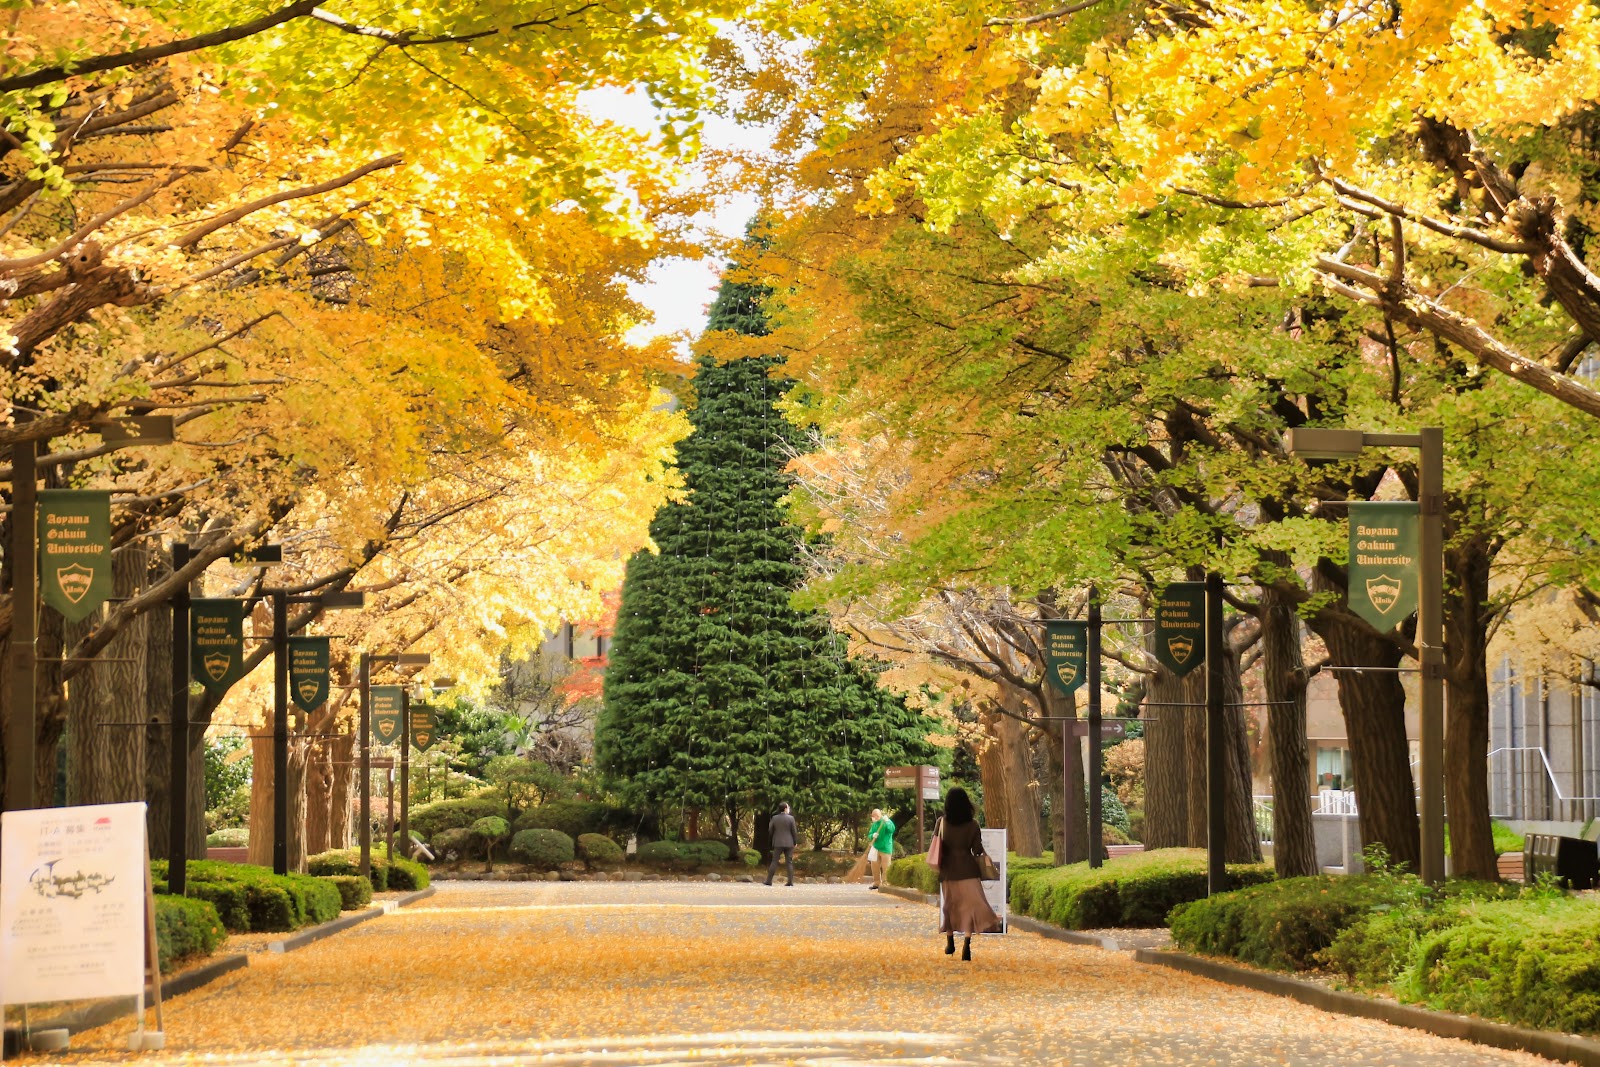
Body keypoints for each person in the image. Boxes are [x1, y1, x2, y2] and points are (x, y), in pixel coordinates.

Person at [937, 787, 999, 961]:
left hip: (948, 871)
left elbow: (936, 844)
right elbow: (977, 849)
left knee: (950, 906)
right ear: (966, 804)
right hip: (968, 870)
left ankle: (950, 941)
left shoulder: (942, 822)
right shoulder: (973, 825)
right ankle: (967, 944)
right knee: (970, 907)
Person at [766, 801, 797, 886]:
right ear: (785, 808)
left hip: (778, 842)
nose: (789, 809)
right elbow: (794, 831)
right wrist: (795, 842)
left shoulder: (774, 818)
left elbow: (770, 830)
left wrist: (773, 838)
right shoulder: (791, 818)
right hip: (789, 842)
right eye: (788, 807)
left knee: (774, 861)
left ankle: (769, 881)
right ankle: (790, 881)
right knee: (789, 862)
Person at [865, 808, 895, 889]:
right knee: (874, 865)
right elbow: (870, 835)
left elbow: (891, 829)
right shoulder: (874, 825)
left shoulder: (885, 822)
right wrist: (872, 835)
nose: (875, 818)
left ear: (880, 815)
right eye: (873, 816)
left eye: (877, 816)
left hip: (885, 847)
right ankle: (877, 883)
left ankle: (885, 883)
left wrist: (888, 822)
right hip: (876, 847)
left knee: (886, 867)